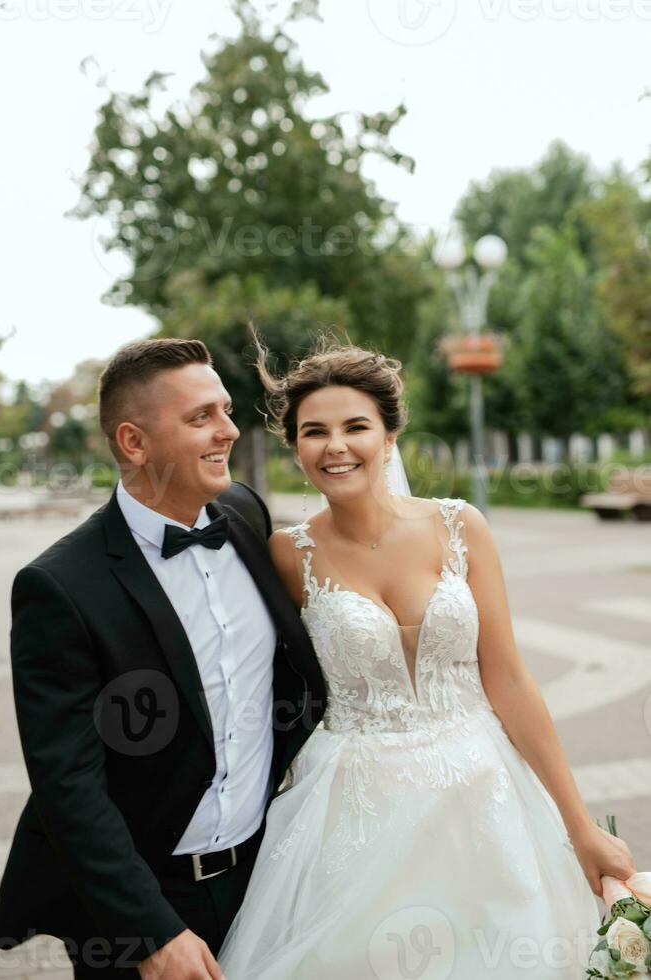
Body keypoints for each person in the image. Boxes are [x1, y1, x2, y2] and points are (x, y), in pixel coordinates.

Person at [218, 337, 636, 979]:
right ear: (295, 447)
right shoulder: (285, 555)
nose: (335, 447)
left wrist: (580, 825)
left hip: (486, 792)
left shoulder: (460, 526)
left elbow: (511, 679)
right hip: (354, 811)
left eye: (356, 426)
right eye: (314, 432)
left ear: (389, 436)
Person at [0, 338, 327, 979]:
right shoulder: (59, 586)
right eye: (200, 417)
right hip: (141, 901)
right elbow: (68, 785)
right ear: (134, 442)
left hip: (263, 874)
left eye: (225, 410)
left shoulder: (245, 516)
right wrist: (150, 932)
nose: (228, 430)